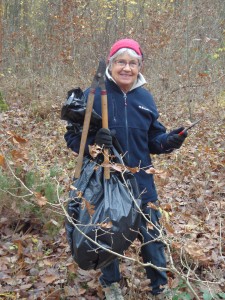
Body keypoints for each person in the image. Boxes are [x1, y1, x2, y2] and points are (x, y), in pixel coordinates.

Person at [64, 39, 187, 300]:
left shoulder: (145, 97)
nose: (127, 68)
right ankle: (112, 286)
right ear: (111, 63)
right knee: (108, 235)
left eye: (133, 63)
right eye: (121, 61)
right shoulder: (94, 94)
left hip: (141, 180)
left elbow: (153, 141)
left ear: (139, 66)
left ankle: (159, 287)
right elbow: (73, 138)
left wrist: (170, 141)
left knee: (152, 237)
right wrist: (94, 144)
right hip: (105, 182)